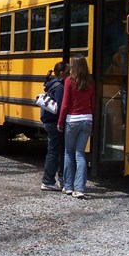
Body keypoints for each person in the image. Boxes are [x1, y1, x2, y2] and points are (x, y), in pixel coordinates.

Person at [57, 54, 95, 199]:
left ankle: (68, 186)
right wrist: (93, 123)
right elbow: (93, 104)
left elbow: (65, 104)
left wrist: (60, 122)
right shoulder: (91, 81)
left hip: (72, 120)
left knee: (68, 152)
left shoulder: (69, 81)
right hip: (87, 120)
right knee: (80, 154)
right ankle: (79, 189)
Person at [40, 61, 69, 191]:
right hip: (55, 122)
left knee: (54, 150)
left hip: (48, 121)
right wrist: (61, 122)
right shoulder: (60, 87)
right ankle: (49, 180)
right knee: (57, 151)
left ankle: (50, 180)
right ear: (62, 73)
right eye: (68, 72)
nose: (70, 75)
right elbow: (62, 106)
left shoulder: (51, 84)